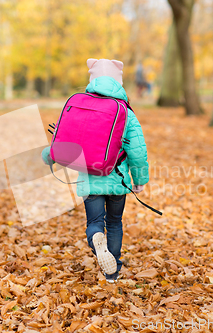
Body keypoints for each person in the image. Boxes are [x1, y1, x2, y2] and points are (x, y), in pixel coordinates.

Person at [41, 59, 150, 283]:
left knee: (95, 223)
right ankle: (113, 272)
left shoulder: (80, 105)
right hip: (118, 181)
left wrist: (48, 156)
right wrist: (139, 180)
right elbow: (138, 151)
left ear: (93, 80)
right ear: (118, 82)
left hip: (90, 180)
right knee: (115, 222)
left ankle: (97, 240)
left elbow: (65, 140)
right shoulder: (125, 111)